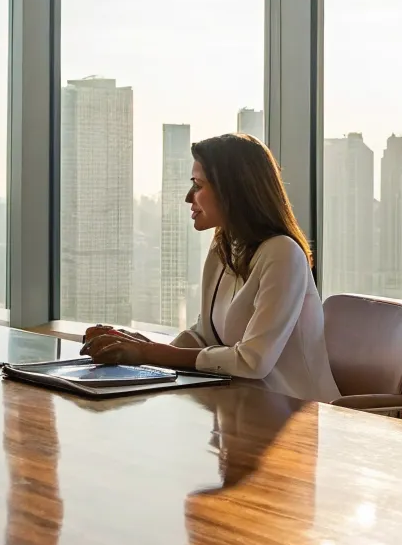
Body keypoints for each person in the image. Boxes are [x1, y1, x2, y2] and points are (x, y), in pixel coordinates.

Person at [82, 133, 341, 402]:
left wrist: (149, 353)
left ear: (234, 190)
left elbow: (253, 361)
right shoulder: (224, 247)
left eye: (198, 185)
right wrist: (137, 344)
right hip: (240, 407)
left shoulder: (283, 253)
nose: (188, 197)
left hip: (299, 415)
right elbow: (205, 336)